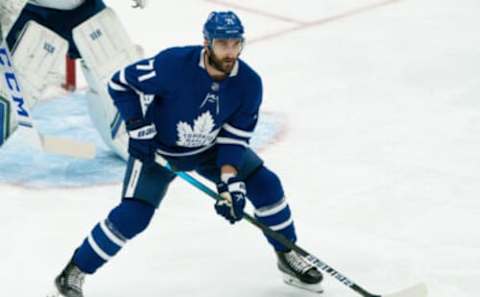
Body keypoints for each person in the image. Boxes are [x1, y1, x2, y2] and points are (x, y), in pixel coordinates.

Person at [48, 11, 323, 297]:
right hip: (158, 151)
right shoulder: (173, 65)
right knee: (134, 216)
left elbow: (233, 140)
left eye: (235, 44)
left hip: (210, 150)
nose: (230, 52)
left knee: (265, 184)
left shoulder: (249, 84)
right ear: (207, 42)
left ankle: (287, 253)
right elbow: (120, 83)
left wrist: (230, 184)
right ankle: (74, 272)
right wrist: (137, 126)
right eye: (222, 44)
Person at [5, 0, 148, 159]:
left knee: (120, 81)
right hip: (31, 14)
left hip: (85, 12)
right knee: (9, 96)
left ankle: (139, 147)